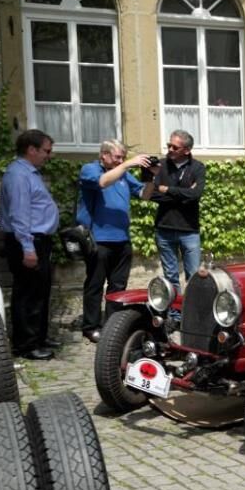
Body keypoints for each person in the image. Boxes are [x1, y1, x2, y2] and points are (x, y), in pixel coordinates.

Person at [79, 140, 154, 343]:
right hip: (98, 239)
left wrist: (152, 178)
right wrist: (127, 164)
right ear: (103, 155)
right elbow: (102, 182)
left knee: (118, 287)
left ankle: (111, 325)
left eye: (122, 157)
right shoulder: (90, 169)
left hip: (122, 239)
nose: (120, 160)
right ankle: (91, 326)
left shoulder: (122, 173)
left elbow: (144, 195)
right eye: (117, 157)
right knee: (95, 284)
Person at [0, 130, 59, 360]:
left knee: (40, 291)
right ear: (31, 150)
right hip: (28, 241)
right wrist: (27, 247)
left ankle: (39, 337)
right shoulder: (18, 175)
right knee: (28, 294)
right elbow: (19, 214)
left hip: (38, 241)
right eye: (46, 151)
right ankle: (26, 345)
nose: (49, 155)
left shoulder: (30, 173)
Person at [143, 130, 206, 296]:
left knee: (193, 277)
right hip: (164, 229)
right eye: (168, 145)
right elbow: (149, 194)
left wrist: (167, 189)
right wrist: (183, 193)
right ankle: (176, 316)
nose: (170, 149)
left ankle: (194, 316)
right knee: (170, 277)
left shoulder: (198, 167)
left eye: (174, 147)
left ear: (187, 150)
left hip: (189, 230)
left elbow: (195, 195)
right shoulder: (159, 166)